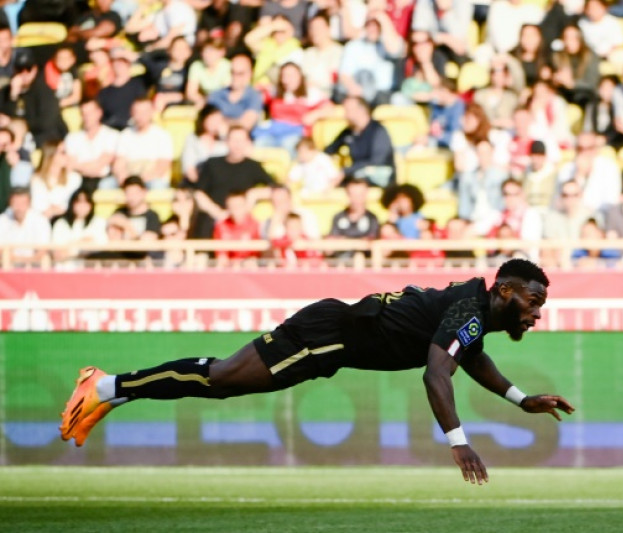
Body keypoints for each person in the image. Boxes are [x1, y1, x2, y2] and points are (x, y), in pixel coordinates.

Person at [60, 258, 574, 483]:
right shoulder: (469, 309)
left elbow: (470, 357)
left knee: (218, 382)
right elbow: (436, 375)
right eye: (532, 300)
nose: (536, 312)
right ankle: (103, 386)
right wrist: (457, 440)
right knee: (219, 379)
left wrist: (519, 398)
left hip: (332, 338)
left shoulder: (473, 315)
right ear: (504, 290)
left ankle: (107, 390)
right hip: (325, 335)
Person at [186, 126, 276, 239]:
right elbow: (198, 193)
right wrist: (218, 213)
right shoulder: (212, 164)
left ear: (248, 142)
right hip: (213, 219)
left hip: (240, 224)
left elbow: (276, 190)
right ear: (226, 141)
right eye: (234, 140)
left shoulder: (253, 166)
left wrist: (253, 195)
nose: (237, 144)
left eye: (241, 140)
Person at [324, 96, 396, 188]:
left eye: (348, 110)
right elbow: (328, 150)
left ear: (362, 110)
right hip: (356, 176)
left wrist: (346, 171)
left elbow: (377, 161)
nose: (345, 115)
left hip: (379, 179)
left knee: (357, 181)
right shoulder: (348, 132)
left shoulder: (378, 131)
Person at [113, 98, 174, 189]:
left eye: (144, 112)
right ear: (132, 113)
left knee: (157, 186)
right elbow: (119, 163)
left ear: (151, 112)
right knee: (106, 184)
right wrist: (124, 177)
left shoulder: (162, 135)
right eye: (137, 112)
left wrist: (139, 181)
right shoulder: (125, 135)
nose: (140, 116)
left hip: (152, 179)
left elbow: (162, 166)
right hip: (129, 178)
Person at [64, 99, 120, 192]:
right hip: (79, 179)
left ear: (99, 113)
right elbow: (70, 164)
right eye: (83, 113)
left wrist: (80, 166)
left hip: (101, 179)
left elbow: (101, 165)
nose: (86, 117)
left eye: (90, 113)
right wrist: (90, 167)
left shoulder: (112, 135)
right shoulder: (72, 137)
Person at [0, 186, 51, 263]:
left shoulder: (40, 220)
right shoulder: (3, 220)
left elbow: (43, 250)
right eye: (16, 203)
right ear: (10, 203)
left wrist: (28, 262)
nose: (19, 207)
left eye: (23, 203)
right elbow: (1, 251)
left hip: (36, 267)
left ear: (29, 203)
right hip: (8, 267)